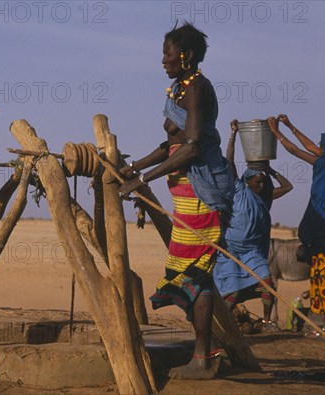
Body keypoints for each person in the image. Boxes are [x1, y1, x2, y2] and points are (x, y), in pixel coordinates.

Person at [119, 23, 234, 379]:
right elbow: (170, 143)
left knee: (197, 274)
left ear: (185, 55)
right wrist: (134, 167)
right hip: (185, 196)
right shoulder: (179, 89)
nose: (163, 60)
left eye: (167, 54)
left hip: (204, 193)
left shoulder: (198, 88)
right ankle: (208, 347)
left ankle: (202, 357)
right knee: (184, 274)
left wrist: (142, 180)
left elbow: (194, 145)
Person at [268, 114, 325, 342]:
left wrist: (276, 132)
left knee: (322, 282)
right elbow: (311, 146)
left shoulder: (324, 163)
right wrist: (291, 125)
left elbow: (296, 151)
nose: (318, 147)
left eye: (322, 145)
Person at [213, 120, 293, 331]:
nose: (261, 184)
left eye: (262, 182)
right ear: (247, 181)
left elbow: (288, 186)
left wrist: (270, 170)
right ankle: (221, 325)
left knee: (267, 284)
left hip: (253, 252)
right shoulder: (238, 189)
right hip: (231, 250)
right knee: (232, 293)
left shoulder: (266, 196)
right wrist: (233, 135)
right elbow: (229, 160)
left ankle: (267, 322)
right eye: (257, 181)